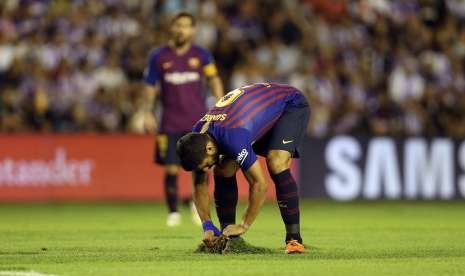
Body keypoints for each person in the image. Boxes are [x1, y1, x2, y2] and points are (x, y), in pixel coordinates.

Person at [176, 82, 310, 254]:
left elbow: (259, 184)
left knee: (276, 163)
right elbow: (199, 184)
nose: (208, 167)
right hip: (256, 115)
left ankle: (294, 240)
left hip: (290, 105)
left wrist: (244, 224)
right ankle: (226, 236)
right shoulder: (198, 136)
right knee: (223, 168)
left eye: (206, 164)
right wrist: (207, 225)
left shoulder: (233, 137)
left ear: (210, 148)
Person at [143, 12, 224, 227]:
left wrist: (223, 104)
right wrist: (147, 111)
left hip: (197, 123)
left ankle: (198, 209)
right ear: (172, 27)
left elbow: (213, 79)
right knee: (171, 167)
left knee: (200, 167)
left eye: (186, 26)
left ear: (193, 30)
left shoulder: (202, 55)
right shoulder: (159, 56)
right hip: (169, 122)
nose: (182, 30)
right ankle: (173, 211)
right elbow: (150, 86)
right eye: (178, 25)